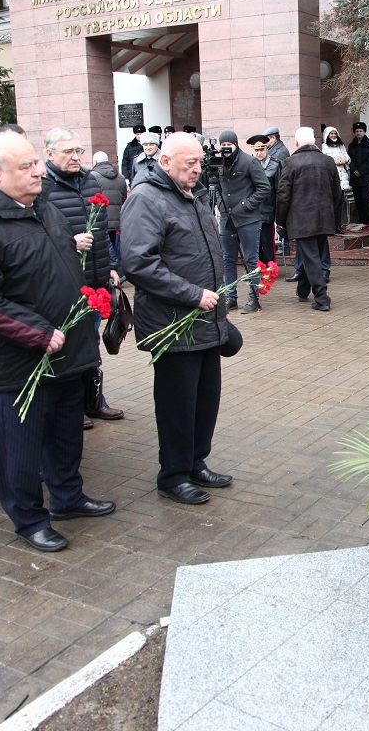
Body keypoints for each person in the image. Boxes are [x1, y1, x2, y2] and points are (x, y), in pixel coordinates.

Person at [0, 132, 116, 553]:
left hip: (66, 349)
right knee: (21, 446)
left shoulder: (42, 206)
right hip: (20, 359)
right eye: (27, 166)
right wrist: (36, 333)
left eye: (37, 162)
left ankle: (68, 497)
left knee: (64, 433)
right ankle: (28, 519)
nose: (40, 170)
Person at [119, 132, 234, 505]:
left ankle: (195, 462)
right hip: (173, 323)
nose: (198, 170)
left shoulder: (193, 195)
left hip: (205, 320)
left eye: (201, 163)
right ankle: (172, 474)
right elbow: (138, 262)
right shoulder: (146, 198)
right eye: (190, 164)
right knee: (177, 404)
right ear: (165, 162)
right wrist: (192, 294)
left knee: (205, 400)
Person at [42, 128, 125, 425]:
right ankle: (72, 407)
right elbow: (37, 240)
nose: (76, 157)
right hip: (65, 287)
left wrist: (111, 267)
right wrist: (69, 242)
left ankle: (94, 401)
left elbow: (103, 234)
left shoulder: (91, 181)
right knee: (71, 349)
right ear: (50, 154)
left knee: (91, 347)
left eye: (78, 151)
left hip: (95, 283)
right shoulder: (42, 189)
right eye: (68, 151)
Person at [276, 127, 342, 311]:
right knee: (312, 255)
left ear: (296, 143)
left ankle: (322, 297)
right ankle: (303, 289)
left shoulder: (291, 162)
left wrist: (280, 220)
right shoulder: (328, 161)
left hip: (302, 220)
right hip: (324, 217)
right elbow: (337, 192)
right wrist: (329, 209)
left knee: (311, 257)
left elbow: (283, 195)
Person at [215, 130, 271, 314]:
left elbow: (264, 188)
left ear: (235, 145)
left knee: (251, 259)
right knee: (228, 259)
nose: (225, 149)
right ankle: (231, 297)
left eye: (228, 145)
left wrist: (246, 205)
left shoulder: (249, 161)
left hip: (248, 220)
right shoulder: (219, 163)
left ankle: (254, 297)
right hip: (226, 219)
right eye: (222, 145)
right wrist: (220, 206)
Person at [248, 134, 281, 264]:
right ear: (252, 150)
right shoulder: (247, 164)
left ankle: (270, 269)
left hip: (267, 210)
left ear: (266, 148)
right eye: (256, 150)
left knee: (267, 243)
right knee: (254, 244)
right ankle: (257, 268)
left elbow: (279, 190)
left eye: (262, 149)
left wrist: (279, 214)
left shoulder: (275, 165)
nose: (259, 153)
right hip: (251, 210)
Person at [91, 150, 127, 260]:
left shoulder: (92, 176)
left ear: (95, 161)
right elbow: (124, 199)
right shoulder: (120, 177)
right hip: (117, 220)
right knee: (116, 248)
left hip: (101, 220)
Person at [348, 121, 369, 225]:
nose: (358, 133)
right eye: (356, 131)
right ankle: (362, 219)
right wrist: (354, 170)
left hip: (366, 176)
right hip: (355, 177)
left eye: (360, 131)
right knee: (358, 199)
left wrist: (360, 171)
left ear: (364, 132)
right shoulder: (352, 145)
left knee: (365, 198)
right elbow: (349, 159)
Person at [321, 126, 351, 232]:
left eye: (335, 134)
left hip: (342, 179)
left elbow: (347, 156)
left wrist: (345, 159)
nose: (333, 136)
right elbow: (324, 159)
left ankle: (338, 225)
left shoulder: (341, 145)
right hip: (331, 178)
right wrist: (332, 160)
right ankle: (330, 226)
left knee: (339, 204)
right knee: (331, 204)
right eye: (331, 134)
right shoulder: (323, 146)